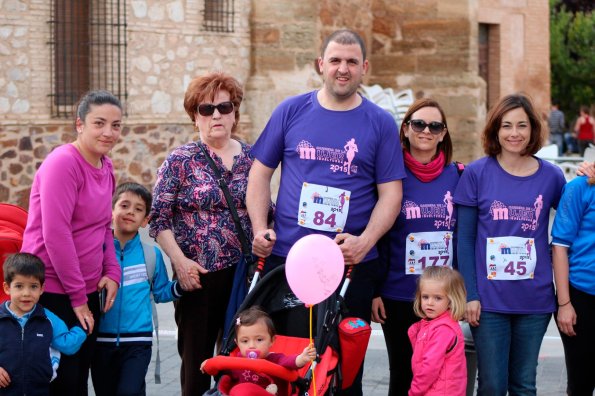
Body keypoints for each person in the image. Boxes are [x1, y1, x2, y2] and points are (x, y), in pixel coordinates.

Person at [247, 30, 405, 395]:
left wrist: (365, 242)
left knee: (345, 372)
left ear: (364, 67)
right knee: (287, 364)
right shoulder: (291, 110)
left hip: (351, 265)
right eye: (335, 60)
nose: (343, 69)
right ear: (321, 65)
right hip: (289, 260)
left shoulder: (379, 122)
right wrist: (259, 228)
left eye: (351, 61)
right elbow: (260, 173)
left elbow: (391, 194)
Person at [454, 93, 566, 395]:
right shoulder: (477, 173)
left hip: (535, 300)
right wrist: (471, 295)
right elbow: (463, 240)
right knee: (491, 385)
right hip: (489, 302)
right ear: (495, 130)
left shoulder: (552, 177)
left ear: (532, 129)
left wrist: (587, 178)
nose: (514, 133)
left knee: (524, 385)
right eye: (506, 126)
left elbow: (572, 225)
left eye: (522, 125)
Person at [149, 72, 254, 395]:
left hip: (242, 276)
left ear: (235, 112)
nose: (216, 115)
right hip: (197, 277)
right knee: (196, 363)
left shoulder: (252, 158)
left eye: (224, 107)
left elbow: (267, 210)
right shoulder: (179, 161)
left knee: (240, 361)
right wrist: (180, 263)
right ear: (195, 117)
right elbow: (158, 220)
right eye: (206, 109)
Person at [21, 90, 123, 395]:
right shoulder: (63, 163)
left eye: (116, 125)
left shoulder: (106, 167)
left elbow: (105, 226)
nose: (108, 132)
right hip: (53, 292)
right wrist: (78, 298)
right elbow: (56, 234)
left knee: (78, 381)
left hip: (87, 290)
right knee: (59, 382)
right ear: (79, 124)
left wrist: (112, 271)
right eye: (99, 123)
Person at [371, 98, 461, 395]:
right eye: (419, 124)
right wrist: (375, 291)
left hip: (441, 295)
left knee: (439, 375)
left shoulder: (459, 175)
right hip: (398, 293)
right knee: (403, 371)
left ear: (444, 133)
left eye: (434, 126)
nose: (426, 131)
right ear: (406, 129)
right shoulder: (388, 176)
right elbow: (378, 235)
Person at [90, 182, 184, 396]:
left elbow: (160, 293)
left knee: (129, 392)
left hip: (138, 342)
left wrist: (182, 287)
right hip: (100, 341)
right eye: (124, 205)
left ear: (145, 221)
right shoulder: (96, 251)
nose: (130, 212)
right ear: (111, 211)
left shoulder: (152, 255)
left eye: (138, 209)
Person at [0, 253, 87, 394]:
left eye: (33, 286)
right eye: (19, 286)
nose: (26, 293)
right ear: (7, 288)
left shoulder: (48, 318)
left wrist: (84, 327)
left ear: (42, 288)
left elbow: (67, 344)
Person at [201, 306, 316, 395]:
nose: (252, 346)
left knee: (243, 390)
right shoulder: (235, 361)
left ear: (272, 340)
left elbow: (291, 361)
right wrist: (210, 364)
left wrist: (302, 358)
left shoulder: (275, 359)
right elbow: (219, 369)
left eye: (259, 339)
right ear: (237, 343)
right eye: (245, 341)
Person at [551, 174, 595, 394]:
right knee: (581, 382)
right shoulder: (580, 187)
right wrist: (565, 303)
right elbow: (559, 246)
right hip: (582, 295)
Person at [408, 266, 467, 396]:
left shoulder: (443, 330)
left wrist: (414, 391)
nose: (430, 303)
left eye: (438, 298)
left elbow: (429, 368)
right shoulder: (431, 325)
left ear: (451, 301)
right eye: (425, 297)